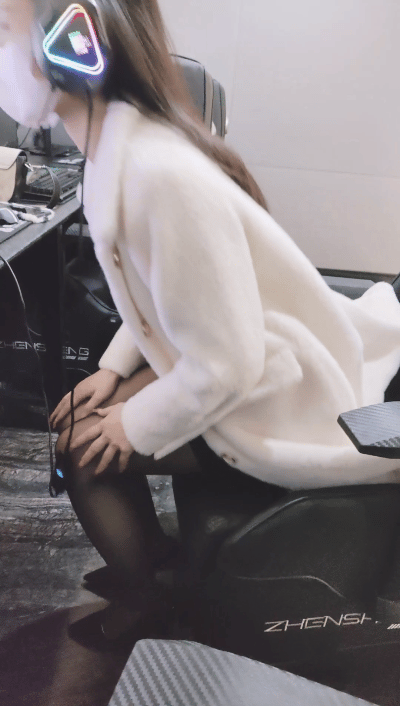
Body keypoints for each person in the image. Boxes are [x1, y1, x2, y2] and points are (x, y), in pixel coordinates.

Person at [3, 0, 400, 646]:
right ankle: (161, 564)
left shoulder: (157, 177)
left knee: (83, 452)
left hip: (274, 391)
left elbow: (229, 364)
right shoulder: (118, 151)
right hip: (244, 360)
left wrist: (132, 422)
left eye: (4, 31)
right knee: (83, 414)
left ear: (72, 41)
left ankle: (149, 598)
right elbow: (162, 296)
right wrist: (113, 371)